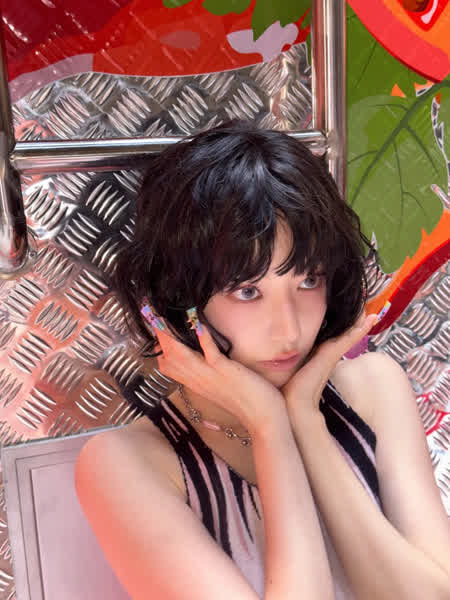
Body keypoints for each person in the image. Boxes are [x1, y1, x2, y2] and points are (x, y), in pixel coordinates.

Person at [74, 121, 450, 600]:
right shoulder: (126, 465)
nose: (289, 330)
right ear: (179, 296)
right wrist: (270, 427)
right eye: (248, 292)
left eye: (309, 281)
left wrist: (306, 423)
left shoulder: (372, 388)